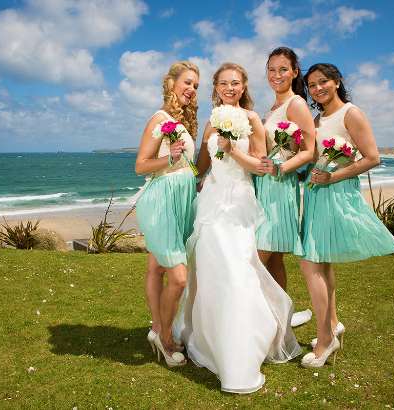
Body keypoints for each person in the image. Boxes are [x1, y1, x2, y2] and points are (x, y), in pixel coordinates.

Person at [259, 63, 394, 368]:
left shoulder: (351, 113)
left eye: (323, 82)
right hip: (314, 196)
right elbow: (311, 156)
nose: (317, 89)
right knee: (321, 263)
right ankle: (333, 323)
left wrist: (333, 178)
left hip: (334, 194)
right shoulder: (317, 118)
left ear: (337, 82)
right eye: (311, 85)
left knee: (310, 263)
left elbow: (372, 157)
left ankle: (325, 343)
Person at [174, 62, 302, 393]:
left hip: (240, 203)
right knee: (212, 270)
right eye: (223, 83)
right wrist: (172, 160)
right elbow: (201, 167)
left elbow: (260, 166)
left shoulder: (254, 120)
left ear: (243, 86)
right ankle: (209, 339)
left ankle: (243, 346)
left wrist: (232, 147)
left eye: (236, 83)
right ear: (215, 87)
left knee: (237, 270)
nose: (230, 88)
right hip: (211, 205)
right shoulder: (209, 123)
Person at [134, 61, 200, 367]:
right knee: (178, 278)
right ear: (171, 82)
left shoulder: (182, 122)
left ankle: (157, 329)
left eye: (196, 86)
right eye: (187, 82)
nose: (191, 90)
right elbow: (140, 166)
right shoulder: (159, 119)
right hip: (162, 200)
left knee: (156, 268)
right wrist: (168, 159)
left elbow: (186, 164)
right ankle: (164, 337)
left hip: (183, 200)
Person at [254, 47, 316, 328]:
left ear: (294, 72)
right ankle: (282, 317)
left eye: (283, 69)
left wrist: (281, 167)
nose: (276, 75)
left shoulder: (296, 104)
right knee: (274, 257)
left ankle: (260, 321)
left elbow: (308, 151)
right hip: (264, 184)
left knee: (256, 259)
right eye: (271, 69)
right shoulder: (271, 109)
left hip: (279, 187)